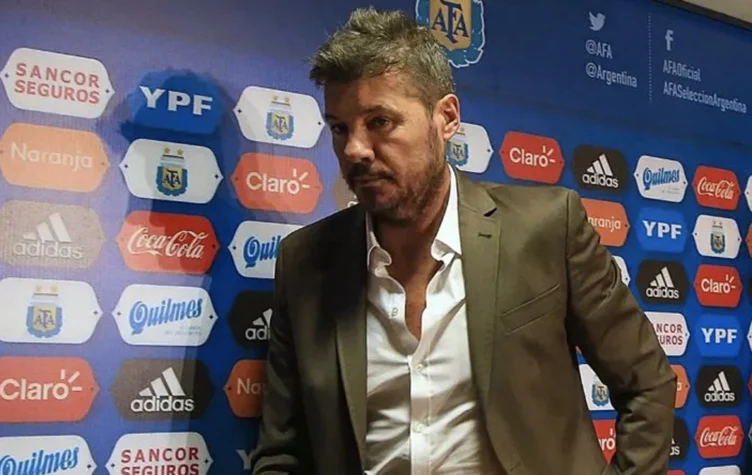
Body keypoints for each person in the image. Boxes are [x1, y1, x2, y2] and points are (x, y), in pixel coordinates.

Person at [250, 7, 676, 475]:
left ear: (446, 118)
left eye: (379, 121)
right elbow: (281, 451)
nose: (354, 149)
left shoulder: (547, 228)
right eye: (339, 127)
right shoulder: (306, 263)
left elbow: (647, 383)